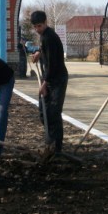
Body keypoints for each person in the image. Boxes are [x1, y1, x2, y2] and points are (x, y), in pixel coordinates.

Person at [30, 10, 68, 160]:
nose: (37, 29)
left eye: (40, 26)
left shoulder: (50, 37)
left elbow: (52, 64)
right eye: (35, 27)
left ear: (46, 23)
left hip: (57, 79)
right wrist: (39, 52)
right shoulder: (44, 36)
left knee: (53, 112)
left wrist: (44, 83)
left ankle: (57, 148)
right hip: (50, 78)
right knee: (43, 111)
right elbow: (47, 51)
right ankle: (50, 141)